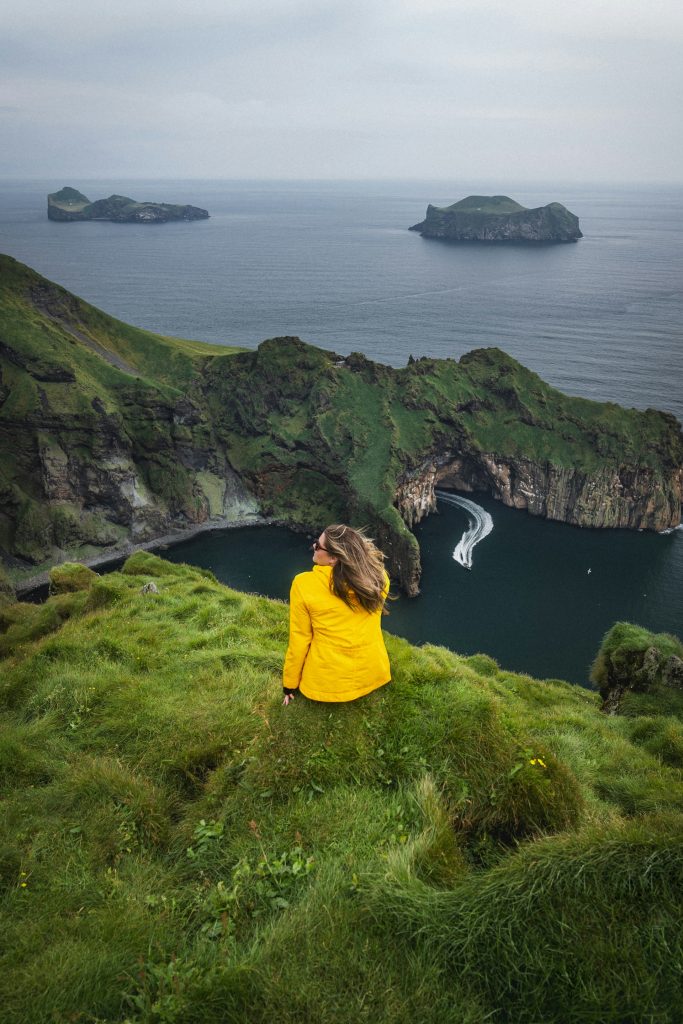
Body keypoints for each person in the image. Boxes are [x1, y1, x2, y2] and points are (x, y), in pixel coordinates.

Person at [282, 524, 391, 704]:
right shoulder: (379, 578)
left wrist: (290, 683)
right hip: (372, 671)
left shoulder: (304, 585)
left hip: (326, 682)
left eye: (318, 545)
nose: (314, 547)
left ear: (333, 558)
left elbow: (300, 639)